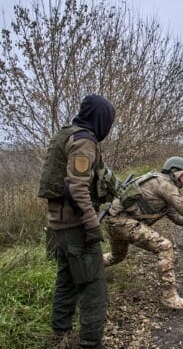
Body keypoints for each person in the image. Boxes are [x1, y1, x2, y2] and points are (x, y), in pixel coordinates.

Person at [103, 157, 183, 310]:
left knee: (116, 256)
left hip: (114, 221)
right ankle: (170, 298)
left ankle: (88, 270)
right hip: (122, 222)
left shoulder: (159, 182)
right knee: (164, 247)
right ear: (173, 172)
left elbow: (175, 216)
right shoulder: (166, 184)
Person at [38, 94, 115, 349]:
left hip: (58, 223)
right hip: (75, 225)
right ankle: (90, 344)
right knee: (94, 287)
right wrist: (93, 226)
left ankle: (60, 333)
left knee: (67, 278)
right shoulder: (84, 141)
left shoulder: (67, 133)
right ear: (100, 119)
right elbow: (78, 189)